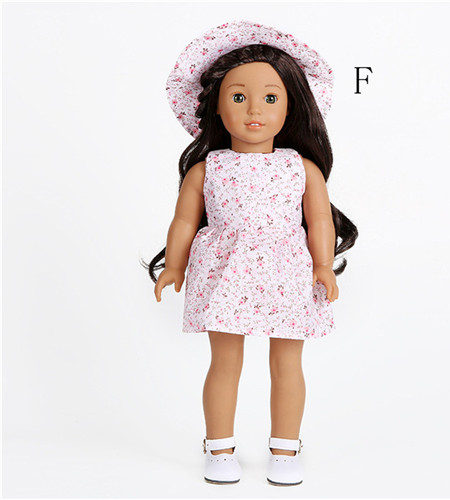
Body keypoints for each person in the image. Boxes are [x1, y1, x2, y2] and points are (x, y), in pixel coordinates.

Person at [142, 20, 358, 486]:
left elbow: (319, 220)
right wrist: (174, 264)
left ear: (291, 106)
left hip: (288, 272)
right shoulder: (208, 168)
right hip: (226, 274)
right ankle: (219, 449)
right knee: (225, 364)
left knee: (287, 364)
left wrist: (323, 265)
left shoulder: (302, 168)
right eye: (238, 97)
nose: (255, 110)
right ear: (216, 107)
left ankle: (285, 449)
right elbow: (184, 221)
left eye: (271, 98)